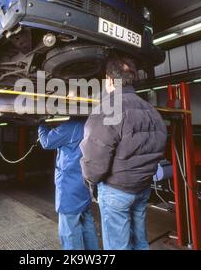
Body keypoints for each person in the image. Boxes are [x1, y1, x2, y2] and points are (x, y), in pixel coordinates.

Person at [80, 55, 167, 250]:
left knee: (118, 247)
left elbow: (94, 160)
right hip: (143, 188)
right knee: (141, 242)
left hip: (116, 190)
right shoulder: (151, 110)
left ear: (110, 80)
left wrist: (90, 181)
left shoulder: (108, 109)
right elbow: (160, 143)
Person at [38, 118, 99, 250]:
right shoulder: (91, 124)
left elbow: (47, 142)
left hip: (69, 186)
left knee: (69, 230)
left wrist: (41, 126)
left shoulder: (70, 126)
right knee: (87, 224)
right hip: (85, 183)